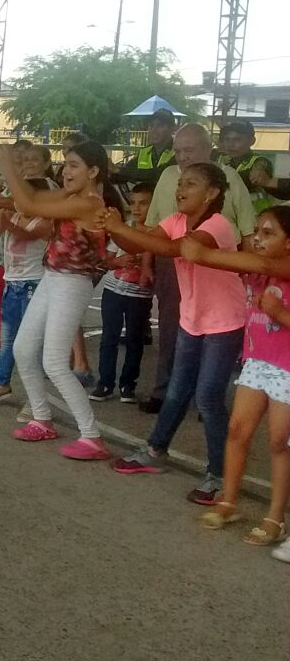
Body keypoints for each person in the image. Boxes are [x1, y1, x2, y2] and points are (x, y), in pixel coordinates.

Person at [105, 163, 245, 505]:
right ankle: (156, 449)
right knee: (177, 389)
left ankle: (218, 474)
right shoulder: (176, 220)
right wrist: (112, 226)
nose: (180, 189)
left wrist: (119, 226)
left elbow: (174, 249)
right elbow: (140, 245)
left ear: (211, 193)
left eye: (191, 184)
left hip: (225, 322)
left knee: (209, 398)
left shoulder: (218, 226)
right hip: (192, 318)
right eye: (180, 183)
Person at [0, 141, 114, 460]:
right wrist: (12, 177)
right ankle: (42, 418)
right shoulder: (71, 196)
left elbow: (30, 207)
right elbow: (27, 201)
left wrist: (8, 167)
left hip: (73, 283)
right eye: (65, 164)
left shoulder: (89, 202)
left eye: (74, 165)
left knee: (55, 362)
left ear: (93, 171)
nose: (66, 171)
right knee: (22, 348)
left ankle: (92, 437)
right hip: (53, 277)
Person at [180, 208, 290, 555]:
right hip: (257, 362)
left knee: (277, 443)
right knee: (237, 431)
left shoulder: (282, 268)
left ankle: (275, 517)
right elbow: (238, 263)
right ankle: (229, 501)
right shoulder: (255, 269)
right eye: (256, 230)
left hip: (287, 368)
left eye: (268, 233)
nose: (257, 238)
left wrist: (279, 313)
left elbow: (262, 268)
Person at [139, 123, 256, 413]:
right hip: (172, 263)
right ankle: (164, 391)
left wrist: (251, 273)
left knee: (216, 335)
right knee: (171, 327)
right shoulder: (167, 176)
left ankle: (207, 399)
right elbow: (152, 226)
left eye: (188, 150)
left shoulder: (228, 178)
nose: (181, 156)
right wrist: (146, 264)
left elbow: (248, 229)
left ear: (208, 149)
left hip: (217, 265)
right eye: (177, 150)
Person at [0, 179, 51, 406]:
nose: (17, 202)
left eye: (23, 197)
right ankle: (2, 383)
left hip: (33, 286)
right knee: (8, 341)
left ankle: (35, 399)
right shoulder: (15, 216)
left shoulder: (45, 221)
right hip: (12, 285)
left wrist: (5, 222)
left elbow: (26, 235)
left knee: (32, 344)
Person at [90, 183, 155, 402]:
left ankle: (128, 385)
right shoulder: (122, 227)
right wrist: (118, 261)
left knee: (135, 340)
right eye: (133, 203)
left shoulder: (157, 233)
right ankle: (105, 383)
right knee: (109, 337)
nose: (137, 208)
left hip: (140, 296)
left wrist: (146, 265)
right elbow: (106, 261)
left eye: (144, 203)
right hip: (113, 291)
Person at [218, 119, 284, 213]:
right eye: (227, 139)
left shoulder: (259, 162)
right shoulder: (222, 160)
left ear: (252, 141)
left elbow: (241, 181)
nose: (230, 145)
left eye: (237, 139)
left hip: (255, 219)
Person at [112, 108, 178, 190]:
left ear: (172, 129)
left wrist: (117, 169)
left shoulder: (179, 152)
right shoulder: (144, 152)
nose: (154, 130)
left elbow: (158, 174)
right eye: (151, 125)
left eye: (159, 125)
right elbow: (127, 172)